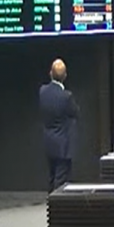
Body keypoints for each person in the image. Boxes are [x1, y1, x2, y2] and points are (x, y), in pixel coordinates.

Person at [39, 59, 79, 193]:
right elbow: (75, 112)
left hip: (49, 142)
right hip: (63, 146)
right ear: (65, 76)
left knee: (51, 177)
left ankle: (50, 202)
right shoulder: (66, 96)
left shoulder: (42, 91)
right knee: (60, 181)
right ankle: (56, 203)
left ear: (50, 73)